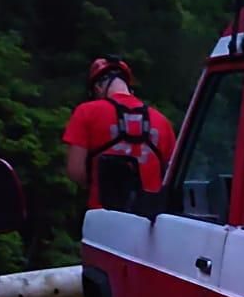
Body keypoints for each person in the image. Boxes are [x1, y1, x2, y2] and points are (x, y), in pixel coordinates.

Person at [62, 56, 175, 210]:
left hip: (104, 218)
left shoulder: (86, 112)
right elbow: (170, 177)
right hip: (150, 223)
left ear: (98, 89)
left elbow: (75, 171)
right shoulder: (162, 121)